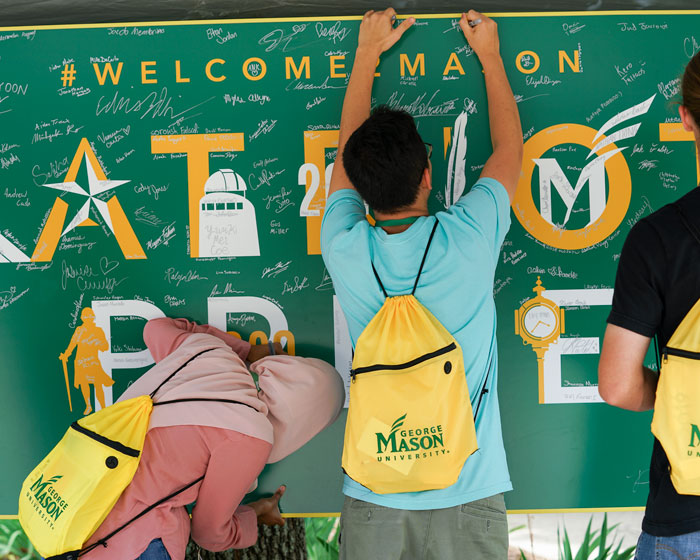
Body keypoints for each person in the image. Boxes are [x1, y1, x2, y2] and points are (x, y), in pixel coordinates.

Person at [320, 8, 522, 559]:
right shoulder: (470, 237)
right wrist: (490, 56)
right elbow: (509, 153)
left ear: (360, 191)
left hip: (373, 492)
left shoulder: (343, 244)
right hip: (469, 486)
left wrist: (365, 56)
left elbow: (344, 159)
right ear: (429, 175)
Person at [82, 317, 345, 560]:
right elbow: (208, 533)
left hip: (74, 510)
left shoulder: (210, 353)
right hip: (135, 542)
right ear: (303, 424)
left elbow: (155, 328)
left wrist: (248, 352)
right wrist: (255, 515)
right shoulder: (250, 435)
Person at [599, 51, 700, 559]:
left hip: (685, 515)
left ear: (685, 117)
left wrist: (678, 391)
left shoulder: (658, 239)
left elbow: (617, 385)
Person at [59, 307, 112, 415]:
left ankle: (103, 407)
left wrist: (97, 343)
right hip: (80, 361)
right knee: (84, 383)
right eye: (85, 316)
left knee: (98, 383)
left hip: (93, 361)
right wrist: (66, 354)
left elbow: (105, 347)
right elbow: (72, 343)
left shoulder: (98, 330)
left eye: (90, 316)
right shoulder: (79, 330)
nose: (88, 318)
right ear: (82, 318)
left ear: (93, 317)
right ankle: (88, 405)